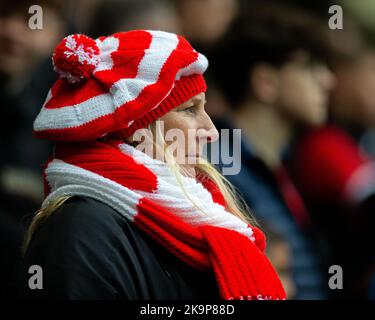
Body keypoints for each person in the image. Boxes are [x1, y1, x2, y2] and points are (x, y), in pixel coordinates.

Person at [13, 30, 286, 300]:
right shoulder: (80, 233)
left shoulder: (201, 218)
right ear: (132, 131)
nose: (211, 131)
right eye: (189, 109)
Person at [210, 2, 335, 299]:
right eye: (309, 67)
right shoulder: (218, 169)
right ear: (265, 82)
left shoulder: (285, 164)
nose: (328, 81)